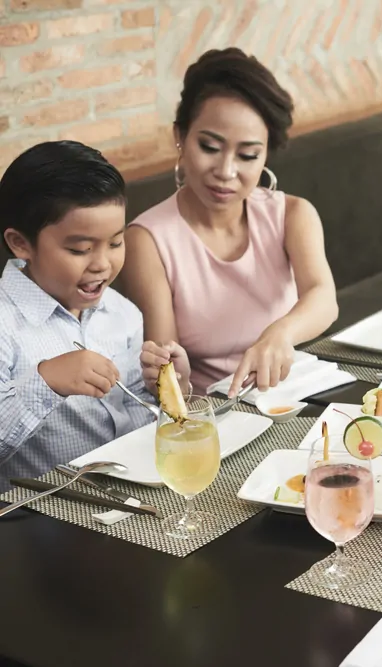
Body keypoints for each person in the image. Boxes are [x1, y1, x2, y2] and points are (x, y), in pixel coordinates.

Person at [121, 48, 338, 399]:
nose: (225, 172)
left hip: (296, 395)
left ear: (266, 153)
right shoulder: (147, 240)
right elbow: (167, 376)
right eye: (209, 146)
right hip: (215, 413)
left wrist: (280, 333)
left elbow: (324, 298)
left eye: (248, 155)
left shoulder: (293, 215)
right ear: (180, 136)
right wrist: (176, 377)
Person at [0, 141, 192, 492]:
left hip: (135, 497)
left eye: (116, 243)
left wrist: (165, 388)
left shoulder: (121, 312)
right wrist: (45, 381)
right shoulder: (5, 324)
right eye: (81, 249)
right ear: (20, 243)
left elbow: (143, 420)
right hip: (45, 519)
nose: (103, 264)